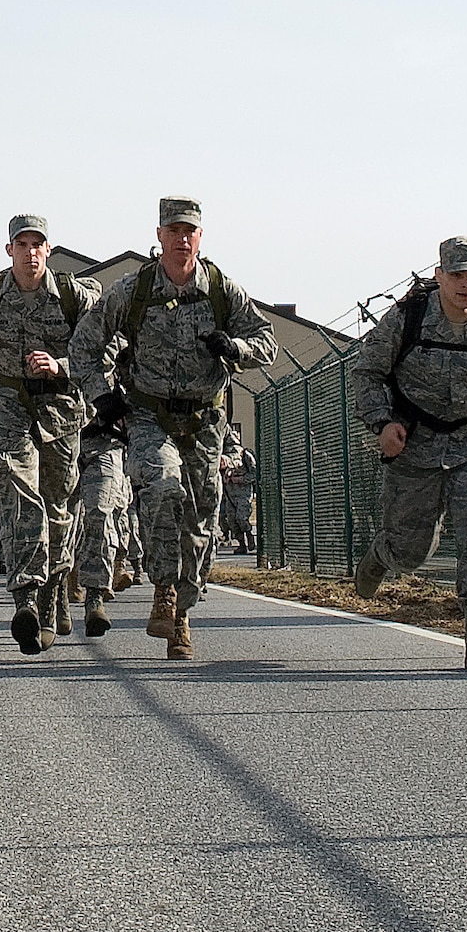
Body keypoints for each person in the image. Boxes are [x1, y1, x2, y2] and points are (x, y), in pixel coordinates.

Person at [70, 197, 278, 660]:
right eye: (174, 230)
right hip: (148, 415)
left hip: (206, 419)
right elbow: (84, 344)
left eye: (191, 231)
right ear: (160, 235)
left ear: (201, 237)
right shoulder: (133, 291)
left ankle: (181, 613)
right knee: (163, 487)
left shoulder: (222, 290)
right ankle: (164, 589)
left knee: (202, 517)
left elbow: (268, 344)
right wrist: (103, 398)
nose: (183, 239)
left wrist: (236, 347)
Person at [351, 236, 467, 672]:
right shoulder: (408, 317)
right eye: (457, 275)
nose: (466, 284)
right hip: (414, 445)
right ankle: (383, 555)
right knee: (412, 550)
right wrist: (383, 423)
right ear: (439, 275)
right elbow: (367, 372)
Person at [0, 214, 103, 656]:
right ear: (9, 250)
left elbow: (104, 349)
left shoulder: (75, 297)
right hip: (10, 405)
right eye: (23, 244)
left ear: (49, 251)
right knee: (19, 497)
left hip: (62, 411)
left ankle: (54, 591)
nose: (31, 251)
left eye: (38, 244)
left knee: (58, 508)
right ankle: (26, 601)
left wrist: (62, 367)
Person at [74, 404, 132, 635]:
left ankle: (95, 598)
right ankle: (57, 591)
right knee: (62, 521)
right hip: (55, 443)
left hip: (105, 445)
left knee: (99, 515)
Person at [217, 424, 258, 555]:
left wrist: (240, 479)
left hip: (243, 493)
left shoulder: (245, 455)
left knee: (242, 518)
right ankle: (241, 544)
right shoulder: (222, 457)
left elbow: (255, 474)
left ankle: (249, 535)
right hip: (229, 494)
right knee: (232, 521)